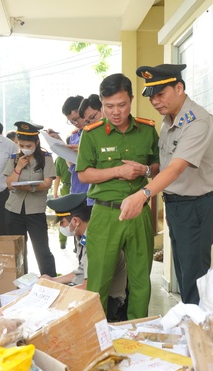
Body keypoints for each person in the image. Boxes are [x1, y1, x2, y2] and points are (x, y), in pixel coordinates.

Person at [120, 64, 213, 305]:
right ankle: (190, 329)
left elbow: (176, 168)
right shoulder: (168, 120)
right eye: (151, 96)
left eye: (160, 94)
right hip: (177, 207)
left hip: (196, 207)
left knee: (194, 280)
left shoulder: (198, 121)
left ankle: (198, 334)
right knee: (185, 274)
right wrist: (145, 170)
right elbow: (164, 165)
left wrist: (143, 194)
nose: (155, 101)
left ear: (179, 87)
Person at [76, 73, 160, 320]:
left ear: (131, 100)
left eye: (122, 105)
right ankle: (95, 337)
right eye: (109, 106)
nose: (116, 112)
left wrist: (144, 170)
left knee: (140, 280)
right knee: (98, 281)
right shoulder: (92, 134)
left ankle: (138, 333)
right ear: (101, 103)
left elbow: (157, 167)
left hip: (139, 213)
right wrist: (117, 171)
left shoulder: (147, 130)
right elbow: (83, 175)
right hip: (105, 214)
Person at [44, 192, 128, 322]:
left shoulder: (95, 241)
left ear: (76, 221)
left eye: (62, 223)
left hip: (109, 301)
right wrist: (52, 280)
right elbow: (80, 272)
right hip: (93, 292)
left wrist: (55, 292)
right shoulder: (83, 235)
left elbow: (88, 287)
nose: (62, 227)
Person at [3, 121, 57, 277]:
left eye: (28, 146)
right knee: (17, 250)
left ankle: (51, 281)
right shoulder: (14, 158)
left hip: (35, 210)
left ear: (37, 142)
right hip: (13, 210)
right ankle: (19, 282)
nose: (25, 149)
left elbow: (47, 183)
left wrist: (30, 187)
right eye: (22, 145)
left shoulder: (46, 158)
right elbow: (9, 184)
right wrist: (18, 167)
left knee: (42, 250)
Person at [61, 95, 91, 198]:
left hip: (92, 191)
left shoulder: (96, 133)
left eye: (76, 119)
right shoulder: (72, 137)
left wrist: (83, 152)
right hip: (76, 190)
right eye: (71, 121)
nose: (75, 123)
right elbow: (70, 165)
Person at [53, 155, 72, 249]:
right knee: (80, 215)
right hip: (79, 187)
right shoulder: (77, 155)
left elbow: (57, 177)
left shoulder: (59, 158)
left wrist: (55, 193)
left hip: (65, 188)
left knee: (63, 215)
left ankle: (62, 241)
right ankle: (78, 244)